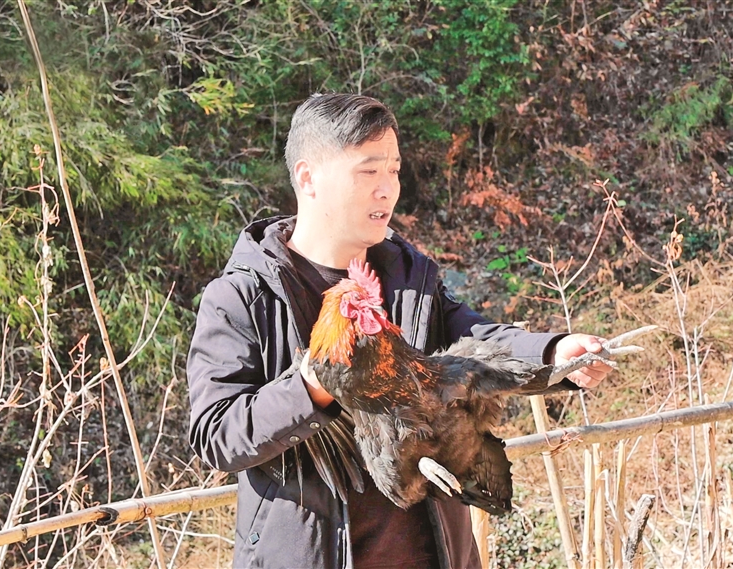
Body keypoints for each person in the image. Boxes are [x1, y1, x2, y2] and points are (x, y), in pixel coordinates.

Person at [186, 93, 612, 569]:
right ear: (308, 178)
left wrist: (554, 353)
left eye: (394, 170)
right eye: (368, 171)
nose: (387, 189)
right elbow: (216, 434)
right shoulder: (241, 298)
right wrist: (310, 388)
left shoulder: (407, 276)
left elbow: (474, 342)